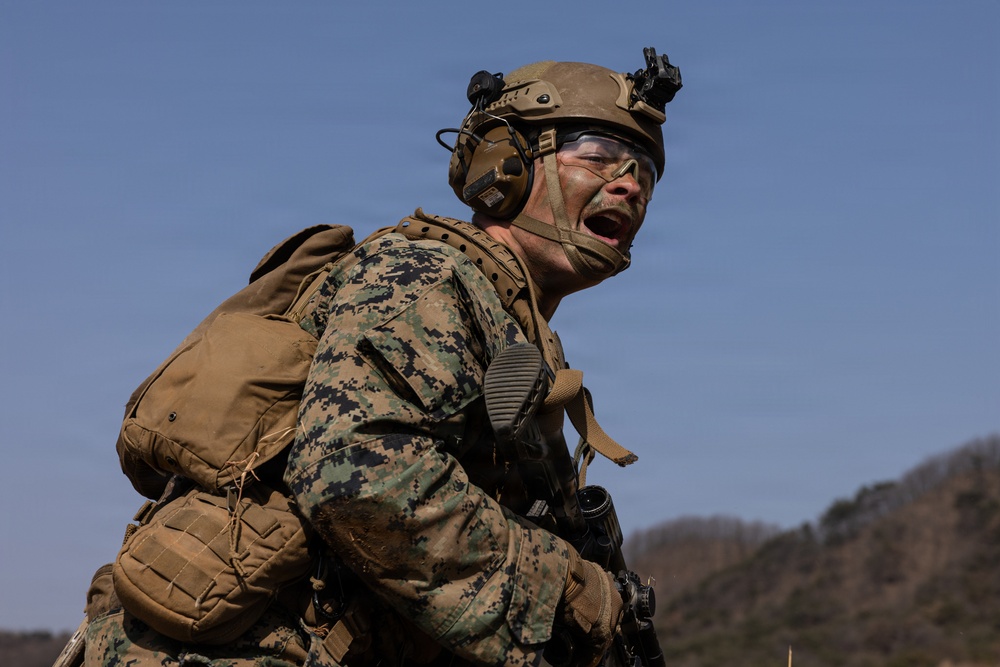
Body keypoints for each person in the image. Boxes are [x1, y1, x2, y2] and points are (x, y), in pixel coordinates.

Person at [81, 49, 681, 667]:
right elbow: (358, 472)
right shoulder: (426, 274)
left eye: (645, 172)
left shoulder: (511, 326)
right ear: (503, 165)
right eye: (598, 156)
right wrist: (569, 595)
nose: (630, 185)